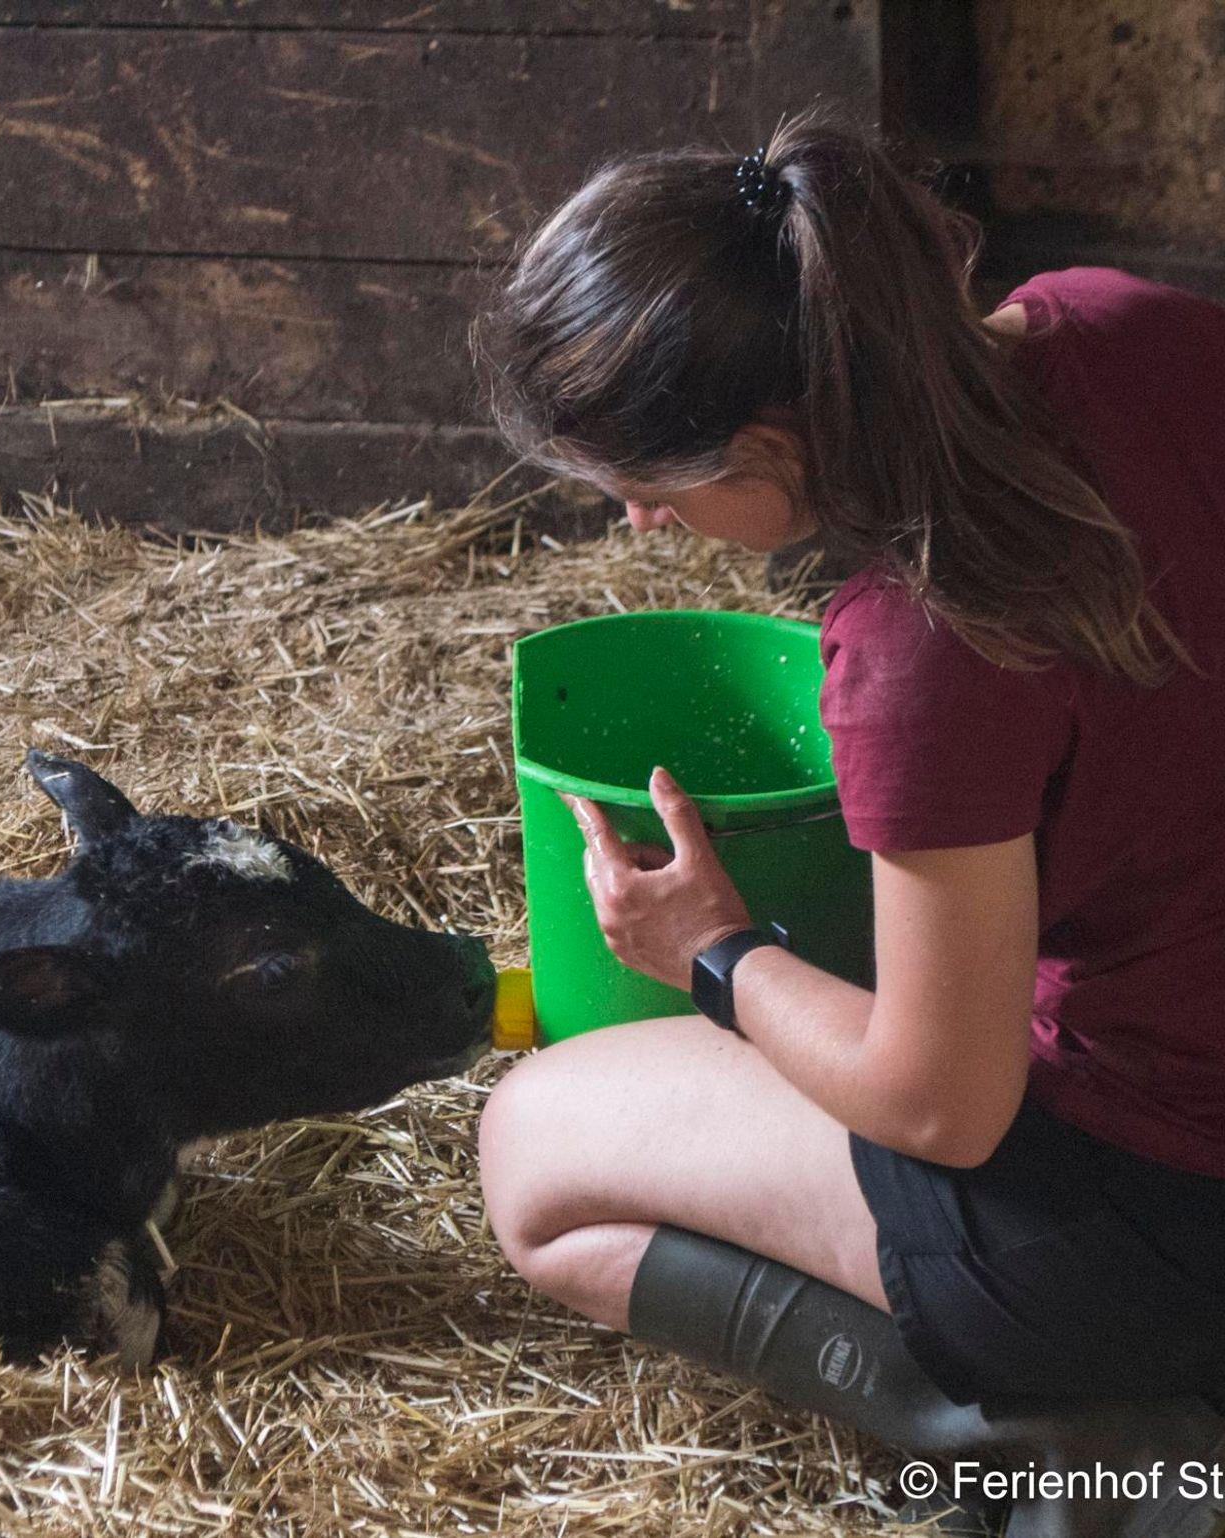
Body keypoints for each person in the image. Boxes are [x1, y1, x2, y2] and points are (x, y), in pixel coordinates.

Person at [471, 112, 1225, 1538]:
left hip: (1171, 1207)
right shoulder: (1113, 319)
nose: (639, 522)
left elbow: (946, 1103)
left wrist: (716, 951)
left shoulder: (925, 629)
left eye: (651, 486)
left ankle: (1103, 1454)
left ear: (766, 445)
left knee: (534, 1154)